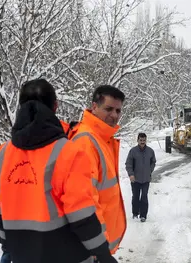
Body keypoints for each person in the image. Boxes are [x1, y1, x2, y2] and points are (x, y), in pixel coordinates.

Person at [0, 79, 117, 263]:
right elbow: (81, 213)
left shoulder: (0, 155)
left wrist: (6, 245)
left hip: (23, 254)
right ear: (55, 106)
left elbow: (0, 207)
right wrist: (103, 253)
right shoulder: (69, 153)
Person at [69, 85, 127, 256]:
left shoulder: (102, 139)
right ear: (94, 106)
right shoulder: (86, 143)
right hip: (93, 249)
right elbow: (85, 204)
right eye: (108, 109)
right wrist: (99, 249)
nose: (114, 115)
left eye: (118, 110)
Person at [125, 133, 156, 222]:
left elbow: (153, 162)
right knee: (135, 197)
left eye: (144, 140)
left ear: (146, 140)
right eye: (141, 140)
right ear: (137, 140)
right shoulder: (133, 151)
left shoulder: (150, 151)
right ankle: (135, 213)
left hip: (146, 179)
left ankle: (143, 215)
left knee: (144, 197)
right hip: (135, 179)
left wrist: (150, 170)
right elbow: (128, 164)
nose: (142, 142)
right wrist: (131, 174)